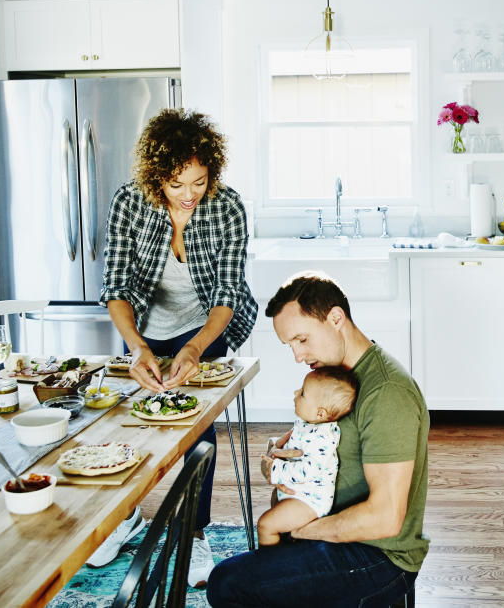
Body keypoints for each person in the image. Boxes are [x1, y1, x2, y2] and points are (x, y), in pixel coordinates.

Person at [94, 108, 257, 588]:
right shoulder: (129, 202)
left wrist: (195, 349)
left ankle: (196, 532)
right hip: (142, 327)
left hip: (205, 326)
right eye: (176, 184)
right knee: (128, 421)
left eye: (199, 182)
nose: (189, 195)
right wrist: (138, 347)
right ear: (155, 177)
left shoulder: (226, 207)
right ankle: (125, 518)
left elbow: (228, 293)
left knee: (198, 430)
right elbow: (116, 285)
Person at [206, 272, 429, 608]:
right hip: (340, 532)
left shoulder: (387, 393)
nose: (297, 355)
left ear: (336, 318)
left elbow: (385, 518)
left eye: (302, 339)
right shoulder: (336, 379)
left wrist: (299, 531)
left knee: (227, 584)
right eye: (291, 345)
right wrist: (279, 463)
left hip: (381, 557)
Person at [257, 366, 358, 547]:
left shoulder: (323, 438)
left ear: (320, 413)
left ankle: (269, 566)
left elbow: (307, 470)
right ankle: (284, 551)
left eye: (303, 393)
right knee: (275, 506)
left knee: (266, 524)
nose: (296, 392)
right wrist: (275, 445)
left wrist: (276, 469)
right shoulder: (308, 423)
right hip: (298, 493)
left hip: (310, 500)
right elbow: (292, 445)